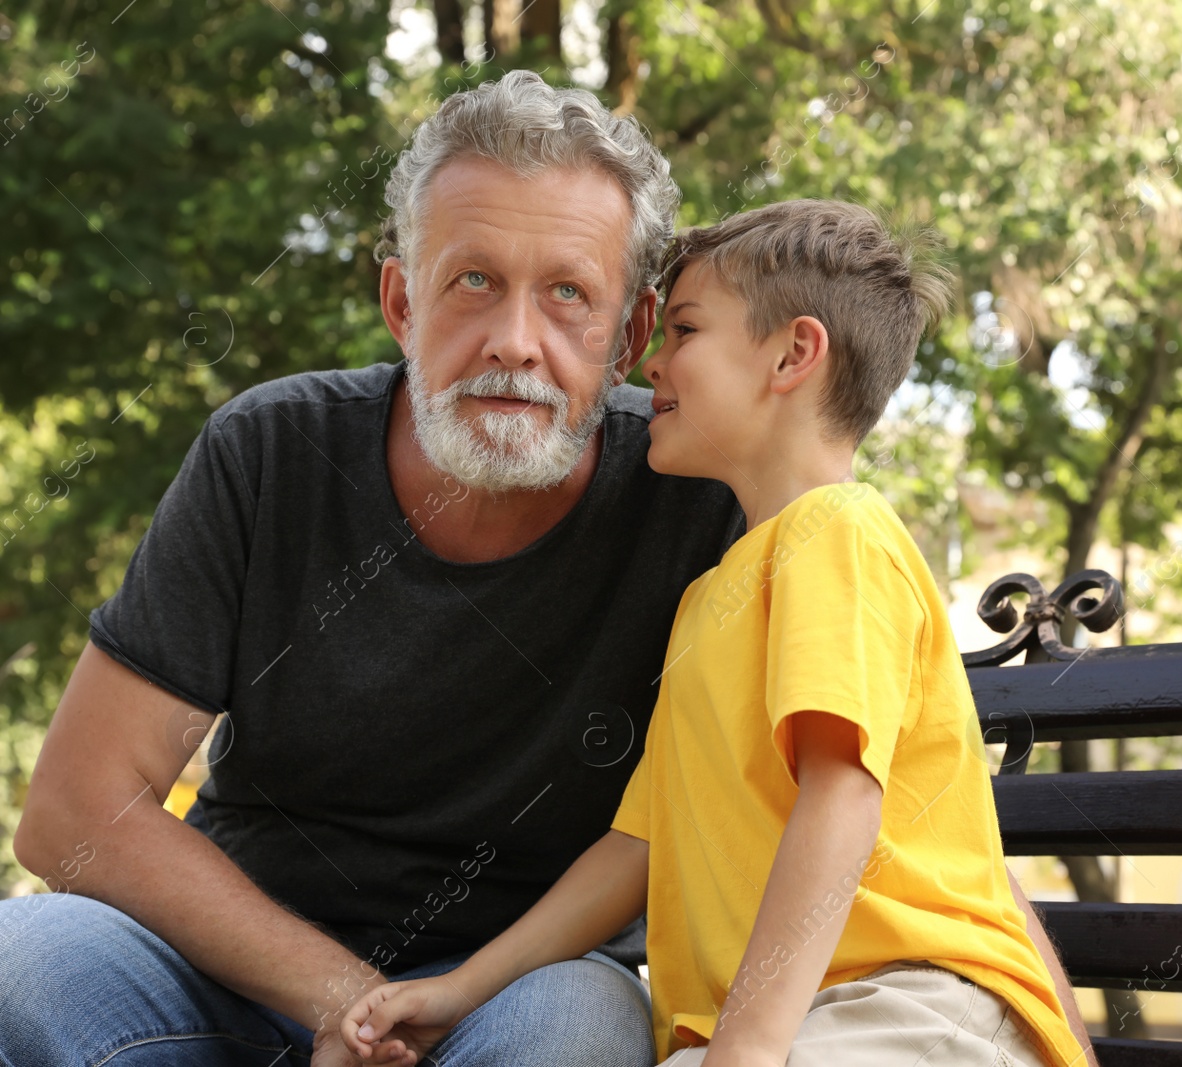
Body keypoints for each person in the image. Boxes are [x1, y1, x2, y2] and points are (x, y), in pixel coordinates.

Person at [3, 71, 744, 1066]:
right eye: (472, 280)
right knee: (22, 954)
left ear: (632, 334)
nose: (516, 342)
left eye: (568, 292)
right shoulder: (268, 450)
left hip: (519, 989)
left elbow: (869, 760)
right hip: (233, 972)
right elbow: (73, 812)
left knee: (580, 1029)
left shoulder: (699, 500)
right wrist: (347, 1002)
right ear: (401, 299)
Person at [338, 200, 1100, 1067]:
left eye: (686, 329)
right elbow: (634, 848)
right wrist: (460, 990)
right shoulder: (712, 597)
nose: (651, 362)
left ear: (792, 355)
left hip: (910, 1003)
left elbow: (843, 797)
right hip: (788, 1025)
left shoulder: (838, 532)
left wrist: (745, 1049)